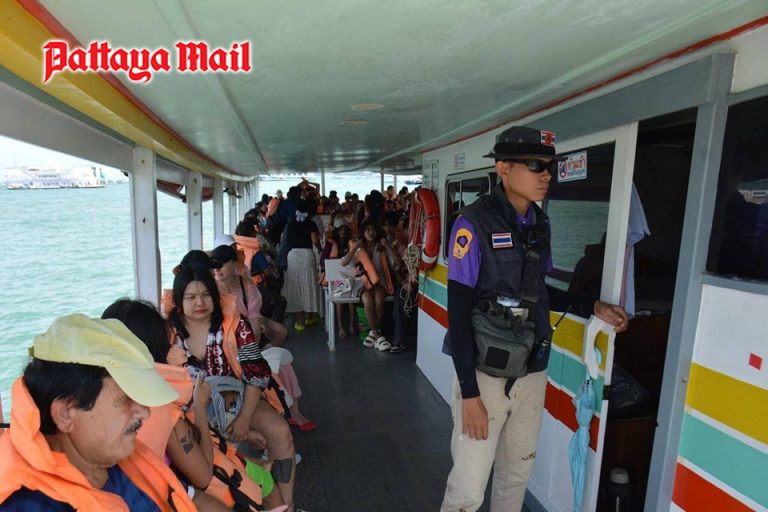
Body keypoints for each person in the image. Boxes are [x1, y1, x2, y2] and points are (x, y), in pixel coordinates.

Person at [441, 126, 629, 512]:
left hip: (531, 369)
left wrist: (591, 305)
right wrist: (470, 396)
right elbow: (457, 316)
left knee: (516, 477)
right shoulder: (472, 224)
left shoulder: (541, 225)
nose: (546, 175)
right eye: (535, 166)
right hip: (483, 375)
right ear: (503, 168)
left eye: (549, 167)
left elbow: (538, 292)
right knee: (468, 490)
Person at [103, 299, 287, 511]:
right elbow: (203, 476)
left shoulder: (102, 401)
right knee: (266, 483)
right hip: (191, 486)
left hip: (154, 488)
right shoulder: (161, 409)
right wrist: (199, 406)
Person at [0, 314, 196, 511]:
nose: (145, 413)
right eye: (126, 398)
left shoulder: (111, 454)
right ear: (66, 414)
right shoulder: (27, 505)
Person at [167, 264, 298, 510]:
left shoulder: (236, 325)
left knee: (280, 431)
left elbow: (256, 374)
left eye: (206, 295)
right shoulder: (169, 333)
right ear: (179, 301)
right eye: (191, 297)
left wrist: (244, 420)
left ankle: (285, 505)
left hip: (236, 397)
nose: (200, 302)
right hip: (191, 411)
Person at [211, 244, 316, 432]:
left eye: (221, 265)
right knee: (268, 367)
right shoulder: (209, 290)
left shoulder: (246, 287)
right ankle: (275, 407)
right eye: (214, 266)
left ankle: (294, 412)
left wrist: (249, 351)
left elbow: (254, 321)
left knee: (283, 364)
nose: (217, 269)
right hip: (222, 345)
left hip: (248, 340)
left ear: (234, 265)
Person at [282, 200, 321, 332]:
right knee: (308, 285)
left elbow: (285, 241)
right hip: (307, 254)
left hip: (292, 255)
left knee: (296, 286)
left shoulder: (290, 223)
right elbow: (315, 240)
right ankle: (310, 317)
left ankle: (299, 322)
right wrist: (320, 249)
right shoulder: (311, 223)